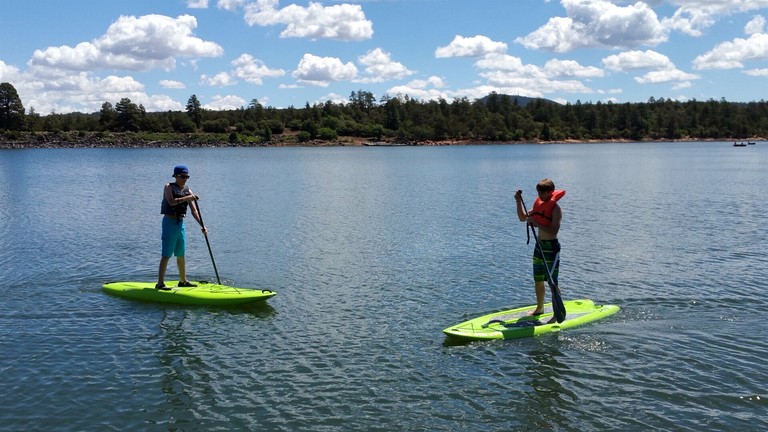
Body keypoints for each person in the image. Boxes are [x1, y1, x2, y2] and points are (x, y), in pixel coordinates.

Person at [514, 178, 565, 318]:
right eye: (538, 193)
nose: (540, 195)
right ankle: (540, 308)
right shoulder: (539, 206)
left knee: (552, 281)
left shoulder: (556, 209)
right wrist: (518, 201)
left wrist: (537, 224)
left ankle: (557, 312)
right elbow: (522, 218)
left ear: (551, 192)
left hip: (551, 248)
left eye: (543, 193)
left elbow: (554, 230)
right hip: (539, 246)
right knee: (538, 279)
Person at [156, 165, 207, 290]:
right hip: (169, 223)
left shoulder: (187, 190)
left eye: (187, 177)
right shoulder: (168, 187)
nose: (185, 179)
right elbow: (172, 202)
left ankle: (183, 281)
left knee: (181, 254)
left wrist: (203, 226)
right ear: (176, 176)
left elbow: (194, 211)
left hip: (180, 224)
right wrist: (189, 197)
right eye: (183, 176)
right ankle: (160, 284)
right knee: (166, 254)